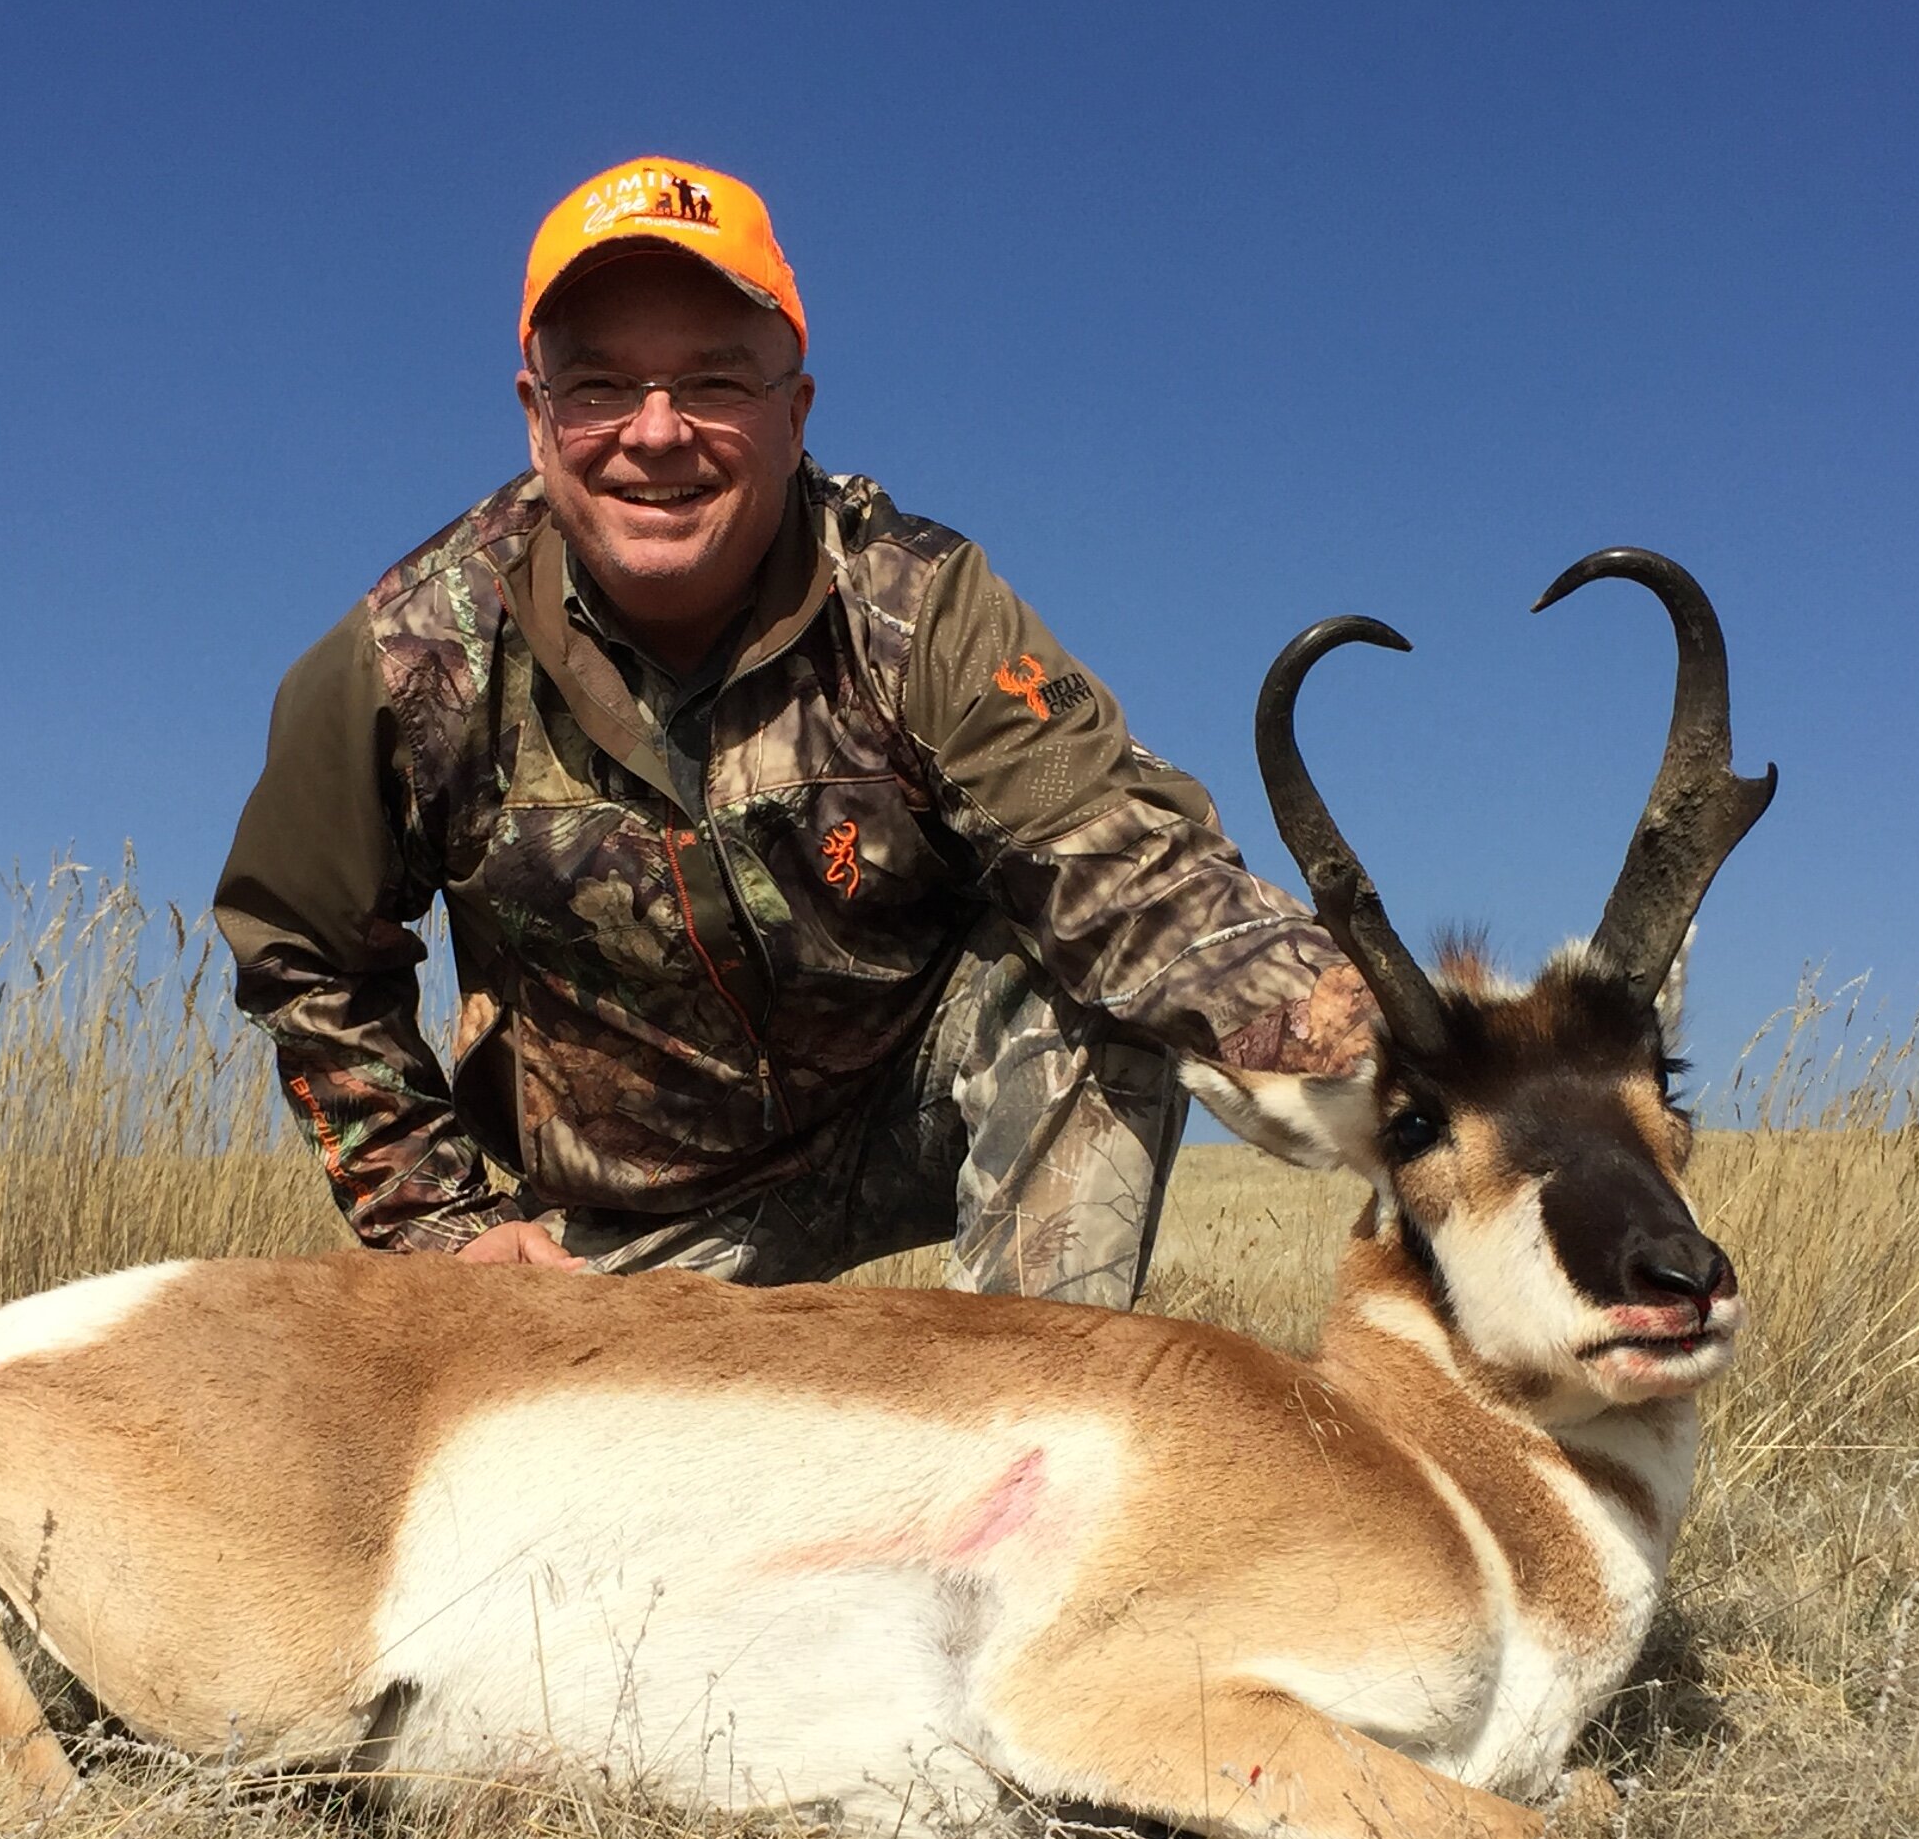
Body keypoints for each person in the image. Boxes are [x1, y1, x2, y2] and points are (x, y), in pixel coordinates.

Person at [214, 156, 1370, 1305]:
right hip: (639, 1229)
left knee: (1084, 983)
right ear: (536, 416)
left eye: (716, 382)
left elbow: (1134, 871)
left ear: (795, 410)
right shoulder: (411, 657)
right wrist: (441, 1219)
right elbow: (302, 949)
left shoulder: (921, 609)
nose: (656, 434)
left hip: (910, 1106)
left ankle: (1019, 1444)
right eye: (602, 388)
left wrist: (1395, 1054)